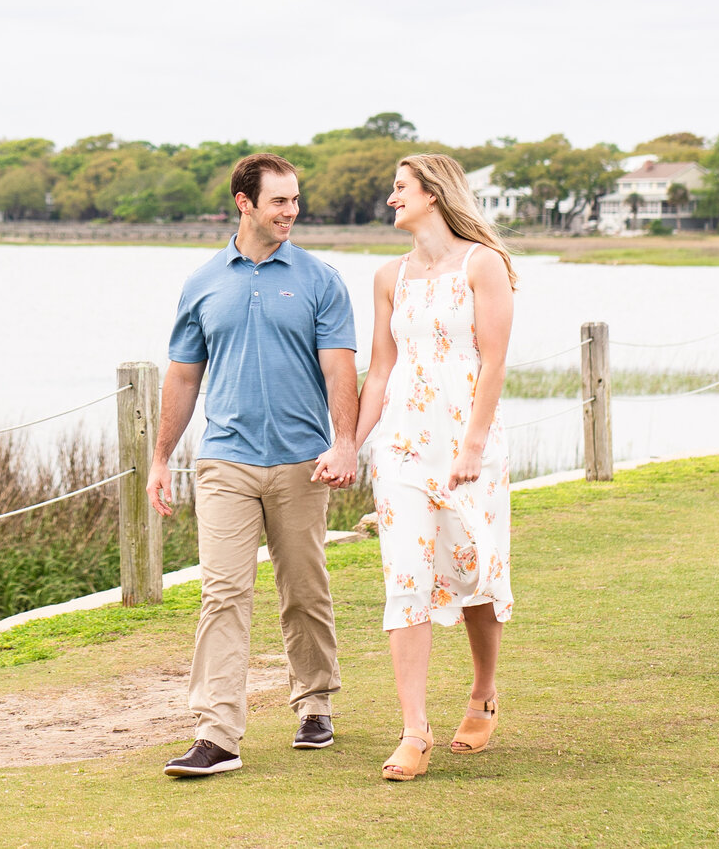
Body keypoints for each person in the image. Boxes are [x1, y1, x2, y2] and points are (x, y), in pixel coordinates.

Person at [149, 152, 359, 779]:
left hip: (302, 462)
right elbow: (185, 375)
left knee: (303, 589)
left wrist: (344, 441)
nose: (291, 211)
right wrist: (160, 457)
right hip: (225, 463)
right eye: (279, 201)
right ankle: (217, 734)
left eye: (295, 200)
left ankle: (315, 701)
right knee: (222, 594)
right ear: (244, 202)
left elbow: (339, 367)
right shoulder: (203, 282)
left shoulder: (321, 279)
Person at [347, 153, 516, 782]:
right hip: (402, 448)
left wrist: (473, 444)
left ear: (434, 195)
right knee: (407, 577)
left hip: (470, 445)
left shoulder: (483, 265)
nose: (392, 199)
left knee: (476, 567)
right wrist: (351, 443)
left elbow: (493, 361)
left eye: (400, 189)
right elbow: (382, 369)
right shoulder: (389, 276)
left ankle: (482, 694)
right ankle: (414, 729)